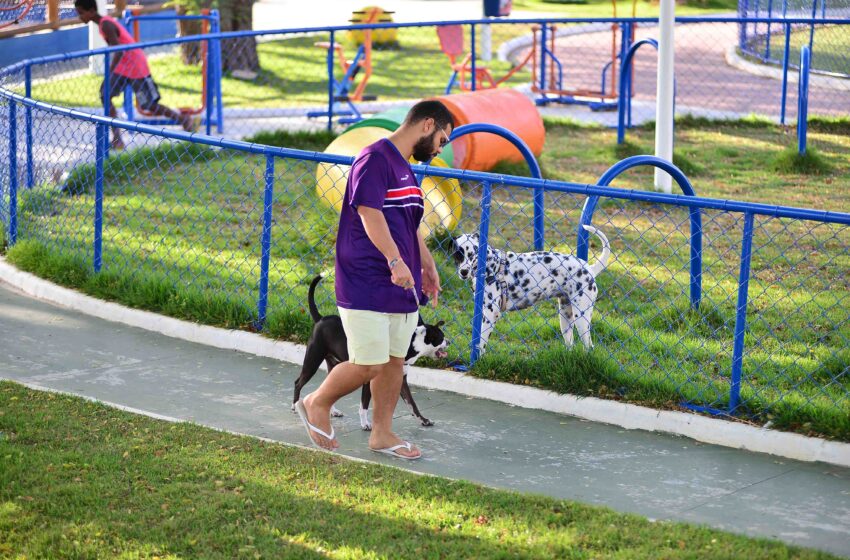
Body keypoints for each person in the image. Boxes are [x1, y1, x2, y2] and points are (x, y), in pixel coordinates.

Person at [296, 100, 453, 460]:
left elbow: (408, 225)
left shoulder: (405, 168)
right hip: (368, 278)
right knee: (369, 363)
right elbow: (369, 213)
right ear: (427, 124)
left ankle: (382, 434)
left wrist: (426, 265)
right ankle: (317, 402)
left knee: (395, 361)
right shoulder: (374, 158)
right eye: (442, 139)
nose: (441, 148)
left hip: (403, 285)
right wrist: (395, 261)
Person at [74, 0, 196, 150]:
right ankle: (118, 139)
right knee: (105, 94)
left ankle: (183, 119)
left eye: (81, 13)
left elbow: (119, 50)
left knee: (148, 104)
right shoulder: (103, 24)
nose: (80, 17)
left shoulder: (106, 24)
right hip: (124, 67)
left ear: (92, 10)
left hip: (134, 64)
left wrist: (109, 72)